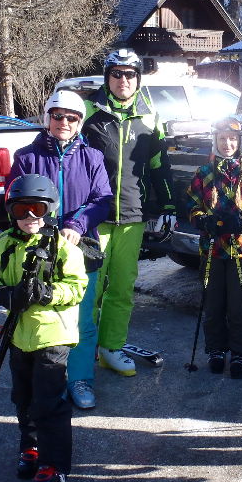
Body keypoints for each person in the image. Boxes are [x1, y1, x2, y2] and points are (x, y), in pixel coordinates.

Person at [0, 174, 88, 482]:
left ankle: (54, 464)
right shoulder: (3, 246)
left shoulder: (62, 248)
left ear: (49, 210)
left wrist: (47, 293)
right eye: (21, 210)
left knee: (48, 401)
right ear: (10, 212)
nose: (29, 217)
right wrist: (1, 294)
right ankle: (31, 446)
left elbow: (77, 286)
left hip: (52, 335)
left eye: (37, 209)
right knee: (23, 398)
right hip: (17, 335)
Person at [7, 89, 112, 411]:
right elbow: (14, 199)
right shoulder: (26, 157)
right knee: (42, 317)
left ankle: (79, 379)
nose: (64, 122)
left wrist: (76, 226)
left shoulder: (92, 157)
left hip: (78, 249)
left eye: (72, 118)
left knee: (82, 318)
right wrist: (36, 223)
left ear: (80, 122)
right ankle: (47, 380)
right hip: (38, 250)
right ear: (47, 118)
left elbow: (102, 199)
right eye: (57, 116)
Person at [80, 48, 175, 377]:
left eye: (130, 74)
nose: (123, 80)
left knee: (121, 288)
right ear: (107, 77)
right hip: (94, 216)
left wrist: (169, 206)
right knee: (89, 289)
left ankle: (111, 347)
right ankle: (83, 349)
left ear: (138, 79)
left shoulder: (149, 116)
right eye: (117, 74)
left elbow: (160, 164)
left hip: (133, 216)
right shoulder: (87, 111)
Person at [186, 115, 242, 378]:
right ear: (215, 141)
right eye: (222, 138)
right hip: (212, 247)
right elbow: (191, 204)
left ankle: (240, 353)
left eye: (232, 139)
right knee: (213, 303)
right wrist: (202, 220)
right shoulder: (204, 172)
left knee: (238, 304)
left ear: (240, 141)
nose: (227, 144)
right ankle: (216, 350)